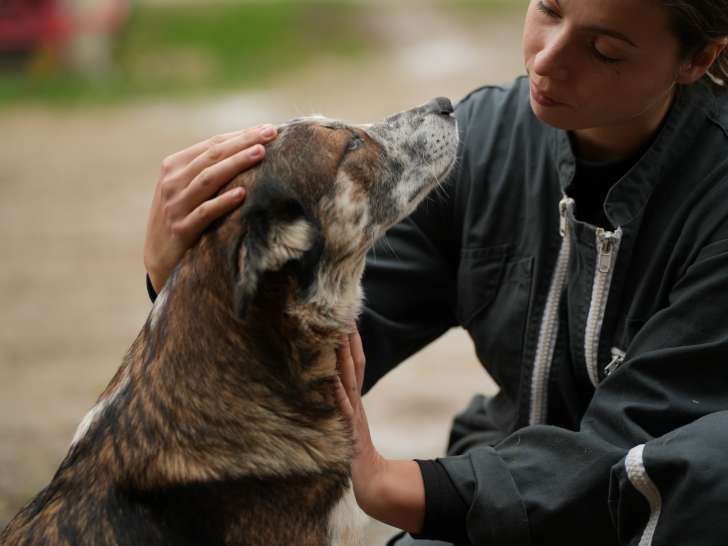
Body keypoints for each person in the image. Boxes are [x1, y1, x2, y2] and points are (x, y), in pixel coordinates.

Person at [143, 0, 728, 544]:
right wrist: (190, 276)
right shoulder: (488, 145)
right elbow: (309, 340)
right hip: (497, 496)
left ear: (698, 58)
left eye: (604, 51)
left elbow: (640, 446)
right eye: (549, 8)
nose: (547, 59)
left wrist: (393, 484)